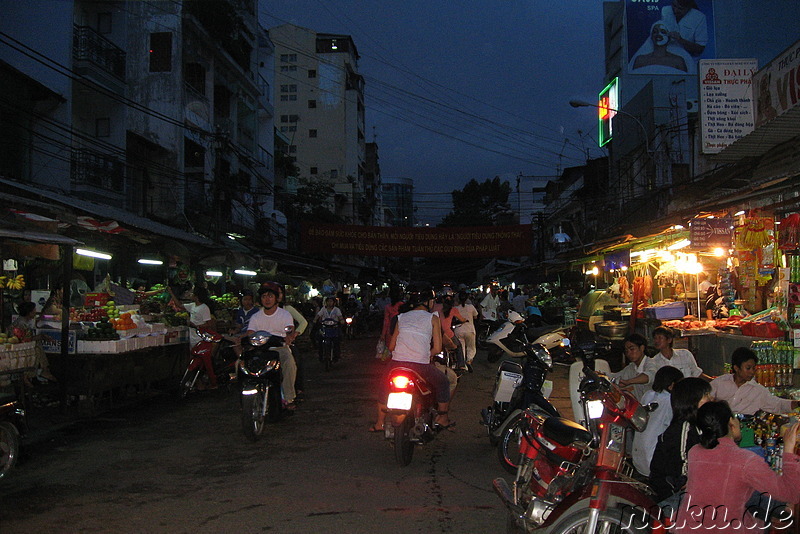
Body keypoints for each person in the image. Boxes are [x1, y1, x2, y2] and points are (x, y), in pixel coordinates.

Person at [675, 401, 800, 533]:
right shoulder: (745, 460)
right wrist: (788, 450)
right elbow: (791, 493)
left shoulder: (695, 452)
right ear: (732, 423)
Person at [370, 281, 453, 433]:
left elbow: (392, 346)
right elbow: (437, 348)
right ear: (428, 302)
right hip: (420, 365)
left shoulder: (402, 317)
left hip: (397, 364)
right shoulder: (432, 318)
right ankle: (442, 417)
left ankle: (380, 422)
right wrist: (426, 354)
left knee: (383, 387)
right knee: (443, 382)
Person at [649, 377, 713, 504]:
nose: (711, 399)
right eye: (706, 395)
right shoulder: (683, 429)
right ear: (691, 401)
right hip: (671, 497)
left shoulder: (700, 425)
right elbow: (684, 470)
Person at [246, 282, 298, 409]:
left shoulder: (284, 314)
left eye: (270, 296)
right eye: (264, 296)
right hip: (260, 349)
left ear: (276, 298)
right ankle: (246, 398)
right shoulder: (256, 317)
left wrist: (289, 335)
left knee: (290, 364)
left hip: (279, 348)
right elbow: (250, 332)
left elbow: (289, 329)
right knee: (240, 364)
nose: (267, 299)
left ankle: (289, 397)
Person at [711, 347, 798, 415]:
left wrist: (797, 404)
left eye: (753, 368)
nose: (752, 372)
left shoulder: (758, 390)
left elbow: (778, 404)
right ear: (736, 368)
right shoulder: (719, 383)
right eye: (748, 368)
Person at [631, 366, 684, 477]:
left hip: (638, 458)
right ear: (672, 385)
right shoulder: (670, 401)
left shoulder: (648, 395)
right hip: (653, 460)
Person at [168, 284, 218, 389]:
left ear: (197, 296)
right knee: (193, 360)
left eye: (192, 293)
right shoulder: (192, 306)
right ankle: (197, 383)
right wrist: (171, 293)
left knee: (203, 362)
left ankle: (208, 382)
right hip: (193, 338)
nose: (190, 295)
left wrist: (196, 326)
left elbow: (209, 323)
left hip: (201, 339)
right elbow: (180, 305)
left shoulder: (204, 308)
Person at [12, 301, 57, 385]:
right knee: (36, 348)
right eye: (34, 311)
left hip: (26, 345)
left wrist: (43, 337)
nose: (35, 312)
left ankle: (44, 370)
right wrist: (41, 337)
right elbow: (25, 339)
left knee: (37, 346)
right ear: (29, 313)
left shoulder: (28, 321)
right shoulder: (21, 324)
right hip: (21, 348)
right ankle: (33, 373)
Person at [277, 285, 308, 400]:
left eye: (279, 293)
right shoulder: (260, 312)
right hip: (267, 345)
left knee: (295, 362)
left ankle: (296, 390)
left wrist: (295, 334)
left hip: (285, 344)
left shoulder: (287, 309)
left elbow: (302, 322)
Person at [610, 333, 659, 401]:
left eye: (632, 349)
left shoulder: (651, 362)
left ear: (642, 348)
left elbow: (649, 376)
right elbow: (616, 375)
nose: (628, 353)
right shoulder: (631, 367)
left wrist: (629, 382)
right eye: (626, 351)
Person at [432, 287, 466, 373]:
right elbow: (462, 319)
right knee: (458, 347)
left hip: (433, 334)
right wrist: (465, 320)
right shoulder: (453, 309)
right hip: (447, 335)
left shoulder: (434, 306)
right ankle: (461, 366)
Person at [454, 291, 479, 372]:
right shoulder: (471, 307)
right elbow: (475, 316)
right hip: (470, 330)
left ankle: (463, 365)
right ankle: (469, 360)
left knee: (461, 349)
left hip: (458, 330)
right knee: (471, 348)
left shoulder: (456, 308)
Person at [314, 296, 344, 362]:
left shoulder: (336, 310)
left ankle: (336, 356)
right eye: (328, 301)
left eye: (331, 301)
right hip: (325, 328)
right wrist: (315, 320)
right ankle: (321, 356)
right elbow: (318, 315)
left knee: (337, 341)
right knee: (320, 340)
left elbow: (340, 317)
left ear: (334, 303)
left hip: (334, 328)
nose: (329, 303)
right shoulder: (323, 309)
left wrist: (341, 321)